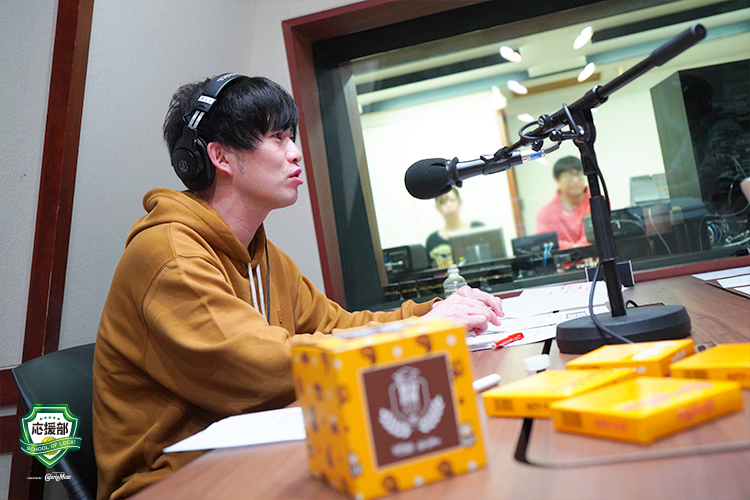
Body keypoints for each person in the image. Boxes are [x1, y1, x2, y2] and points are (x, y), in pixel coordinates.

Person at [92, 74, 504, 500]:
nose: (295, 152)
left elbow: (337, 325)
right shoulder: (170, 255)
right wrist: (419, 331)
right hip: (169, 483)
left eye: (291, 137)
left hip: (249, 456)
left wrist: (433, 313)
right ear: (218, 156)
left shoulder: (259, 253)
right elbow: (261, 369)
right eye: (278, 137)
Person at [535, 156, 591, 249]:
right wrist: (575, 249)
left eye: (579, 175)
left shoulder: (597, 203)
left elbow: (602, 233)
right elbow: (544, 242)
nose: (576, 181)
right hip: (564, 258)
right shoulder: (545, 213)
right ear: (557, 180)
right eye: (569, 177)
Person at [425, 187, 484, 267]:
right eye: (442, 202)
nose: (449, 205)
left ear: (459, 202)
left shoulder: (478, 229)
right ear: (437, 207)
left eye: (452, 200)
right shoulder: (432, 240)